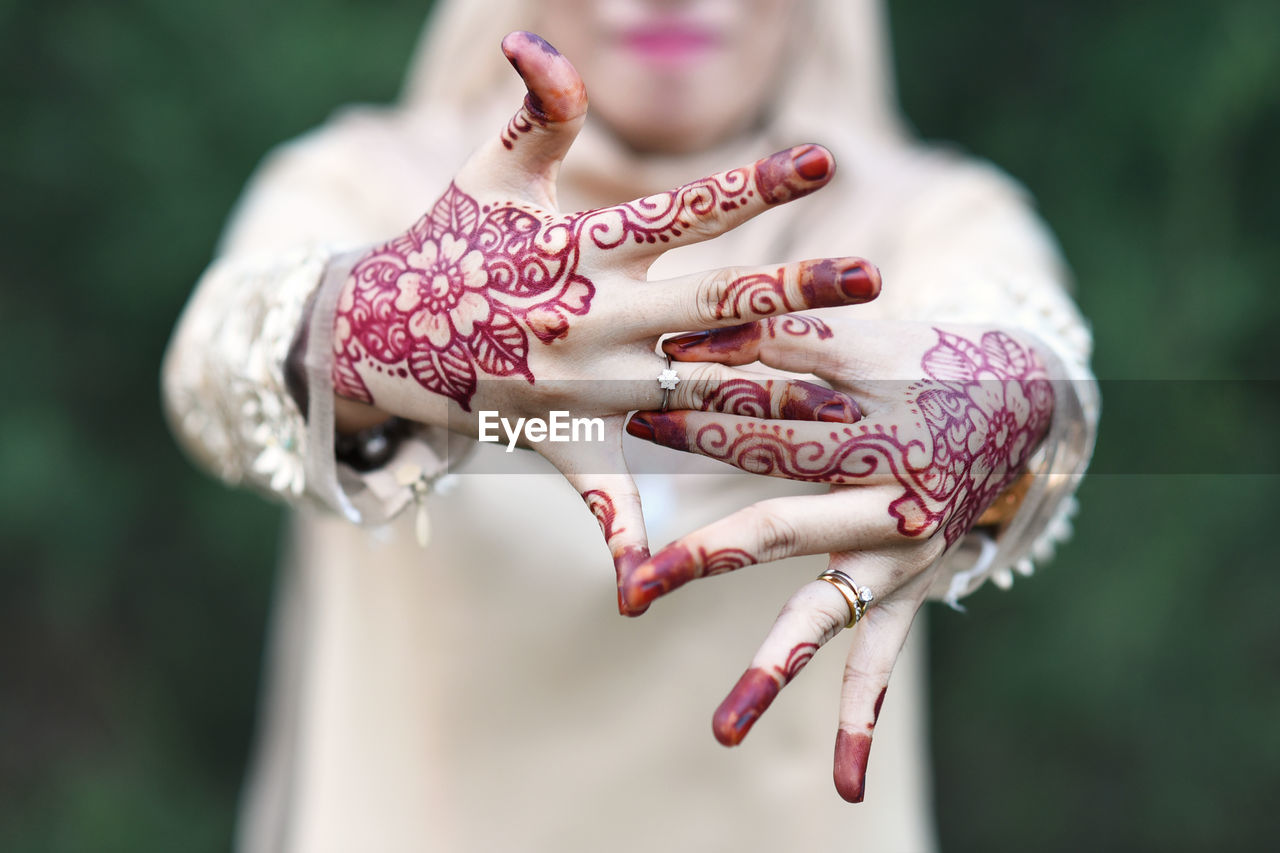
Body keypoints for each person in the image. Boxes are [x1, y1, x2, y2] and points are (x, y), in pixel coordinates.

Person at [162, 0, 1098, 850]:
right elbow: (215, 362)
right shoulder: (369, 183)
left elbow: (1027, 344)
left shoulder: (917, 215)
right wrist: (381, 320)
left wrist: (1004, 404)